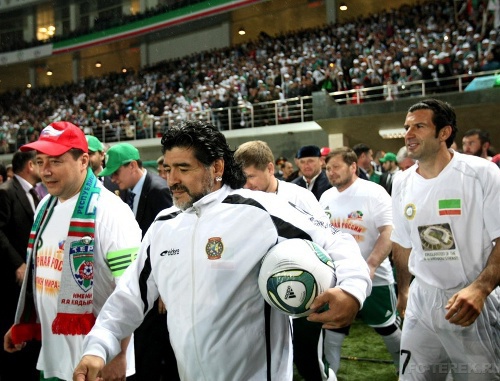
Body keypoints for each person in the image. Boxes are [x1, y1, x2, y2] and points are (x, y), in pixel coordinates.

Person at [73, 120, 372, 381]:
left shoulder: (260, 211)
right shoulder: (164, 225)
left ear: (216, 167)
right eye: (167, 168)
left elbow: (335, 239)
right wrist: (99, 346)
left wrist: (352, 291)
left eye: (183, 168)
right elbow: (129, 297)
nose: (172, 179)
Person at [3, 121, 142, 381]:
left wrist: (119, 354)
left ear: (83, 161)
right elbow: (43, 273)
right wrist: (23, 322)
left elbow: (130, 290)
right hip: (53, 356)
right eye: (41, 160)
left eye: (56, 161)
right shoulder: (46, 205)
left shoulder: (111, 211)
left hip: (96, 360)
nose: (45, 170)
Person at [391, 99, 500, 380]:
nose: (409, 134)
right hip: (422, 299)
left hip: (471, 300)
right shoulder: (401, 182)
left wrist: (481, 288)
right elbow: (403, 243)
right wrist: (404, 290)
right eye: (407, 127)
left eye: (419, 126)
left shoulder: (482, 173)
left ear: (444, 133)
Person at [234, 140, 333, 381]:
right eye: (241, 178)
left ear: (270, 168)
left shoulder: (300, 196)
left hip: (303, 288)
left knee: (308, 358)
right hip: (261, 292)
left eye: (251, 176)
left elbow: (325, 240)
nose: (246, 184)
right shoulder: (241, 198)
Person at [98, 142, 177, 381]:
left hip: (157, 288)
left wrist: (165, 287)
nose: (112, 178)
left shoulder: (158, 190)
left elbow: (170, 241)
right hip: (141, 283)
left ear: (132, 166)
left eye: (116, 172)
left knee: (158, 352)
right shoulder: (129, 192)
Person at [319, 147, 401, 375]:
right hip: (337, 280)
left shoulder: (373, 192)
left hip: (376, 279)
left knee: (388, 329)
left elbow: (388, 231)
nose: (331, 173)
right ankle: (331, 376)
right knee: (333, 331)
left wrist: (372, 264)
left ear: (353, 166)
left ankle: (406, 372)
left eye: (336, 167)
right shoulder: (325, 196)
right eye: (327, 168)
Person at [0, 151, 42, 381]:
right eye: (40, 162)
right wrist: (17, 264)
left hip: (30, 278)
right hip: (11, 280)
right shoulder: (6, 192)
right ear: (29, 166)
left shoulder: (35, 194)